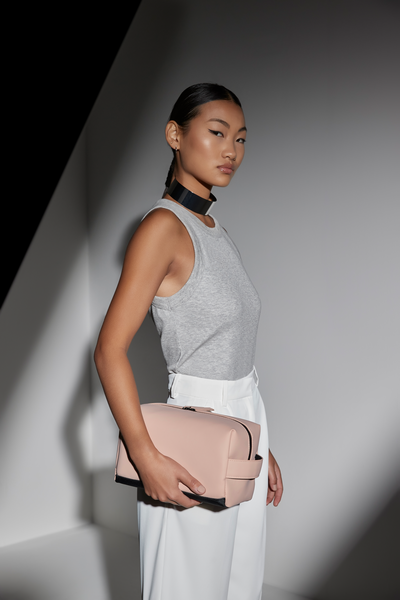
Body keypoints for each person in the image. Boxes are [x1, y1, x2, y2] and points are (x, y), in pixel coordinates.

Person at [94, 83, 283, 600]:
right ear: (175, 135)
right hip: (194, 432)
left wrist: (258, 443)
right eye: (217, 133)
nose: (231, 151)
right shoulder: (162, 227)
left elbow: (234, 354)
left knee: (239, 586)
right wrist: (144, 455)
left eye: (240, 138)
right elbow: (109, 349)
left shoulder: (214, 229)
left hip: (243, 424)